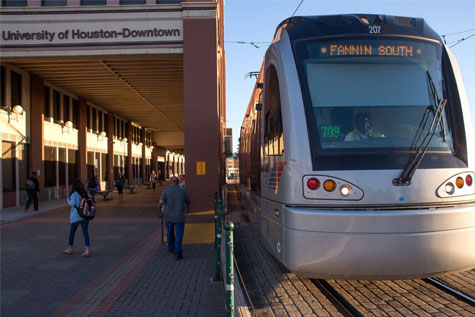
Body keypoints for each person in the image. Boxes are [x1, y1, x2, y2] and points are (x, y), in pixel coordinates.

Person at [159, 176, 191, 260]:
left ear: (170, 182)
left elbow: (161, 202)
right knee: (179, 234)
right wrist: (187, 210)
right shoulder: (183, 191)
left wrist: (160, 209)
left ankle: (170, 247)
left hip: (169, 216)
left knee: (169, 233)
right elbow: (188, 202)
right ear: (178, 182)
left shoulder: (165, 191)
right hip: (180, 216)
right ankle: (178, 251)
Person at [63, 179, 91, 257]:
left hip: (76, 215)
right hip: (85, 215)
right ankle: (87, 250)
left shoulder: (74, 193)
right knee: (85, 232)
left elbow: (72, 204)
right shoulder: (85, 193)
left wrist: (68, 200)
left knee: (72, 232)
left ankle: (70, 248)